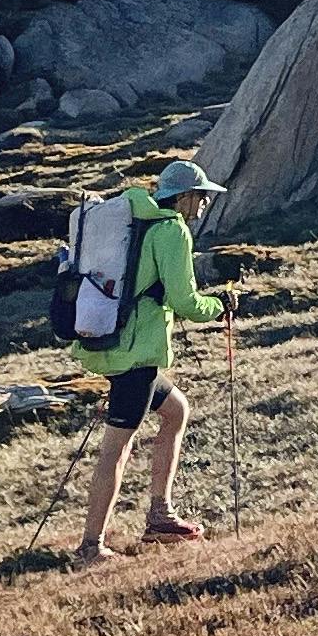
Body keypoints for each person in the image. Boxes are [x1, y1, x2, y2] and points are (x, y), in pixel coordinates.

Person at [68, 157, 229, 568]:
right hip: (135, 354)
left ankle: (160, 515)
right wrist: (221, 305)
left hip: (111, 343)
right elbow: (185, 302)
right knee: (116, 450)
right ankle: (91, 547)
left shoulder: (137, 221)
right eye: (202, 197)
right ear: (185, 198)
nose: (203, 206)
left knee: (176, 411)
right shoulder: (171, 230)